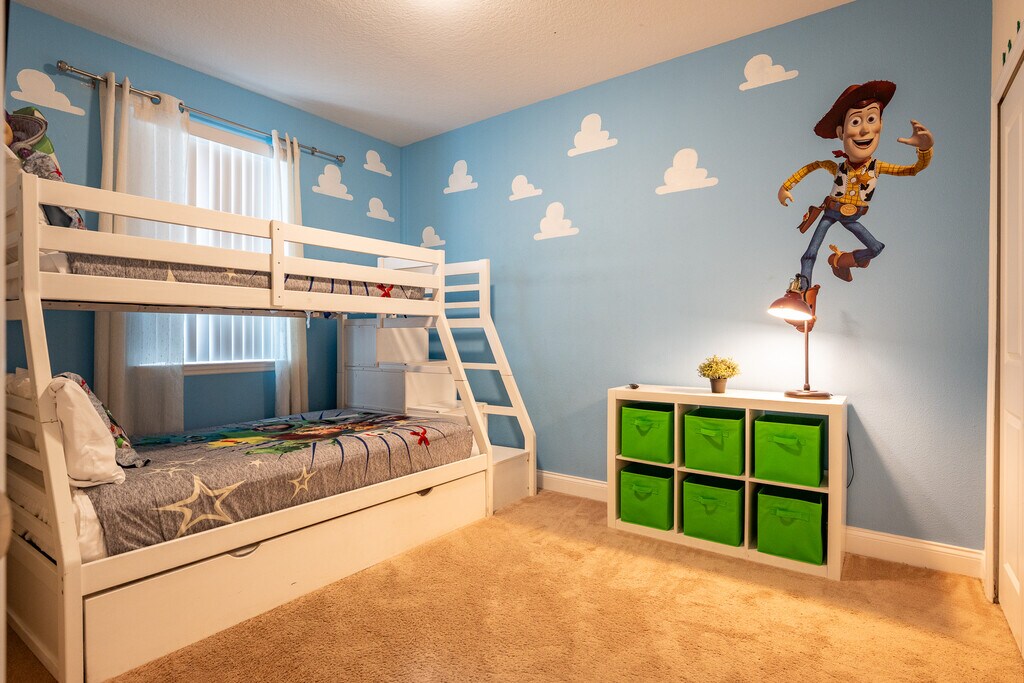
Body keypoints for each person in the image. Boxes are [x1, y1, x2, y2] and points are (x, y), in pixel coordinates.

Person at [778, 80, 934, 287]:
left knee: (876, 248)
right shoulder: (838, 167)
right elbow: (814, 165)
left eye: (871, 119)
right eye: (855, 122)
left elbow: (913, 170)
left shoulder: (877, 167)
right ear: (841, 132)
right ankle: (804, 291)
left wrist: (924, 150)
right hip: (831, 212)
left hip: (853, 217)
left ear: (880, 125)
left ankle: (841, 261)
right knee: (810, 253)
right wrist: (786, 186)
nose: (864, 130)